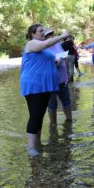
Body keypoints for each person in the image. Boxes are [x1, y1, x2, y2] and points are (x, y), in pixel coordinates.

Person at [20, 24, 69, 156]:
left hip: (45, 86)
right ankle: (31, 147)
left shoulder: (43, 50)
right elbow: (47, 43)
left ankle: (38, 143)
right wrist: (63, 36)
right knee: (35, 115)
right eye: (41, 31)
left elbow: (51, 63)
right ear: (32, 34)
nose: (43, 33)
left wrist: (58, 60)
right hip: (34, 85)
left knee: (40, 115)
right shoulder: (31, 44)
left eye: (43, 31)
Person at [44, 28, 72, 125]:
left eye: (52, 33)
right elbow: (43, 65)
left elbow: (65, 58)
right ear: (44, 37)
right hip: (50, 81)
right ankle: (53, 124)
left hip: (62, 79)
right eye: (49, 34)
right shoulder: (43, 47)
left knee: (67, 101)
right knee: (52, 104)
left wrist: (68, 73)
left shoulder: (57, 44)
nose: (51, 35)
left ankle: (69, 122)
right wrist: (55, 64)